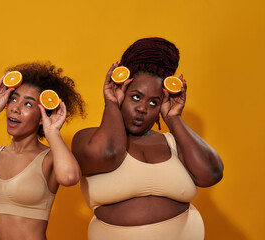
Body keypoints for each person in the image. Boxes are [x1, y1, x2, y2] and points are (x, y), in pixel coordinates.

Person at [72, 37, 224, 240]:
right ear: (120, 92)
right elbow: (109, 154)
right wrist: (111, 104)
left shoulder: (173, 142)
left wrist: (174, 118)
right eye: (136, 96)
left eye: (154, 102)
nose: (143, 108)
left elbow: (211, 174)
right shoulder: (88, 138)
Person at [0, 62, 85, 240]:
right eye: (14, 99)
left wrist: (52, 131)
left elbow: (70, 177)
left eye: (28, 104)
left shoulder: (49, 159)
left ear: (42, 117)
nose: (15, 108)